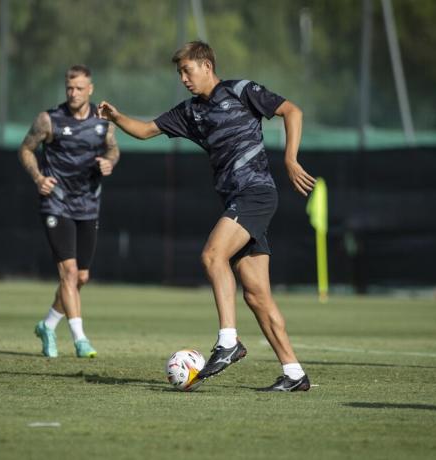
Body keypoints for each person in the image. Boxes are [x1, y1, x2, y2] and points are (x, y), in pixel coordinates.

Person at [98, 41, 315, 391]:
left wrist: (290, 159)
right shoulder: (190, 112)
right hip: (236, 198)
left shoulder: (241, 91)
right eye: (179, 72)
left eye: (187, 70)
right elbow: (145, 130)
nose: (183, 78)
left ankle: (228, 341)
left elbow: (293, 111)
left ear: (207, 65)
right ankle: (294, 374)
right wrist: (116, 117)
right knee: (257, 295)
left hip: (256, 193)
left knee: (213, 255)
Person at [18, 65, 120, 358]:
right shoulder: (49, 119)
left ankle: (47, 324)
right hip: (56, 203)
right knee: (69, 272)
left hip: (88, 204)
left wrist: (109, 162)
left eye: (78, 88)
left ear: (90, 89)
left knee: (82, 277)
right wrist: (39, 178)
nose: (73, 93)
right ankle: (80, 338)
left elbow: (113, 149)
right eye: (69, 88)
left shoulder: (103, 123)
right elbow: (25, 149)